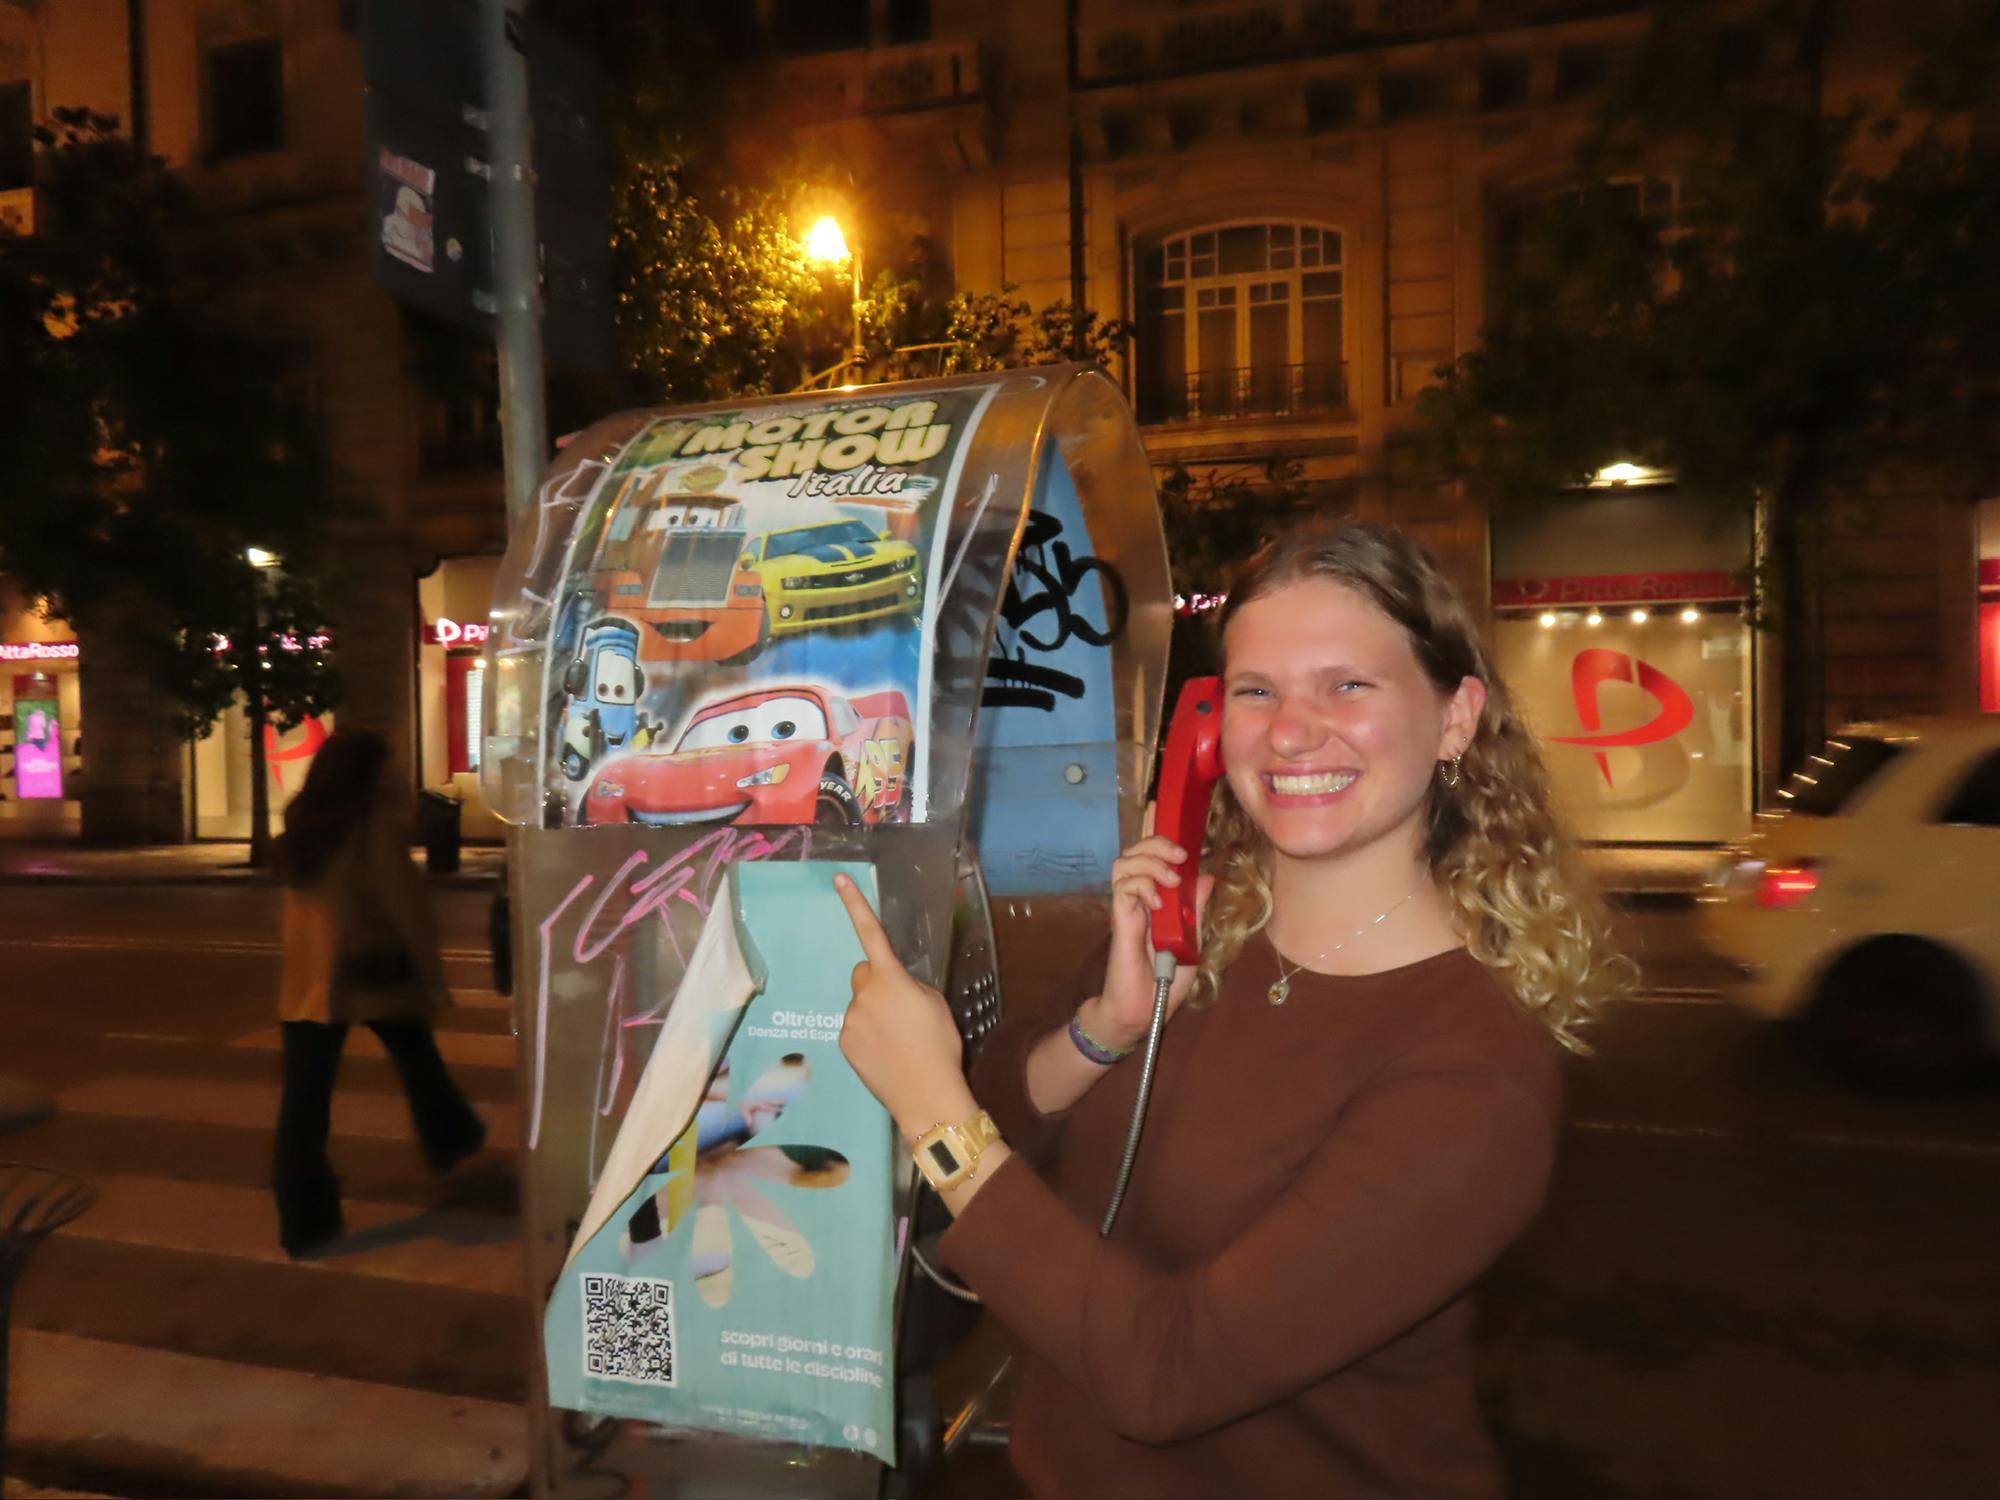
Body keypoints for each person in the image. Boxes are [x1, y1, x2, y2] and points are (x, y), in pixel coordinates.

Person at [834, 520, 1628, 1498]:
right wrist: (1101, 1034)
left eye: (1347, 684)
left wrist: (929, 1110)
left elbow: (1166, 1374)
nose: (1291, 731)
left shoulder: (1471, 1069)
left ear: (1455, 718)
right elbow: (994, 1130)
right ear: (1208, 727)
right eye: (1256, 691)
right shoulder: (1190, 930)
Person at [272, 729, 486, 1259]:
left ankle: (305, 1224)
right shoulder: (370, 827)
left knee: (305, 1107)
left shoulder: (303, 823)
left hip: (307, 986)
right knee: (417, 1058)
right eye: (387, 767)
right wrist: (434, 980)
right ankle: (453, 1139)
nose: (393, 776)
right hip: (371, 974)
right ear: (366, 774)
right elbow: (407, 909)